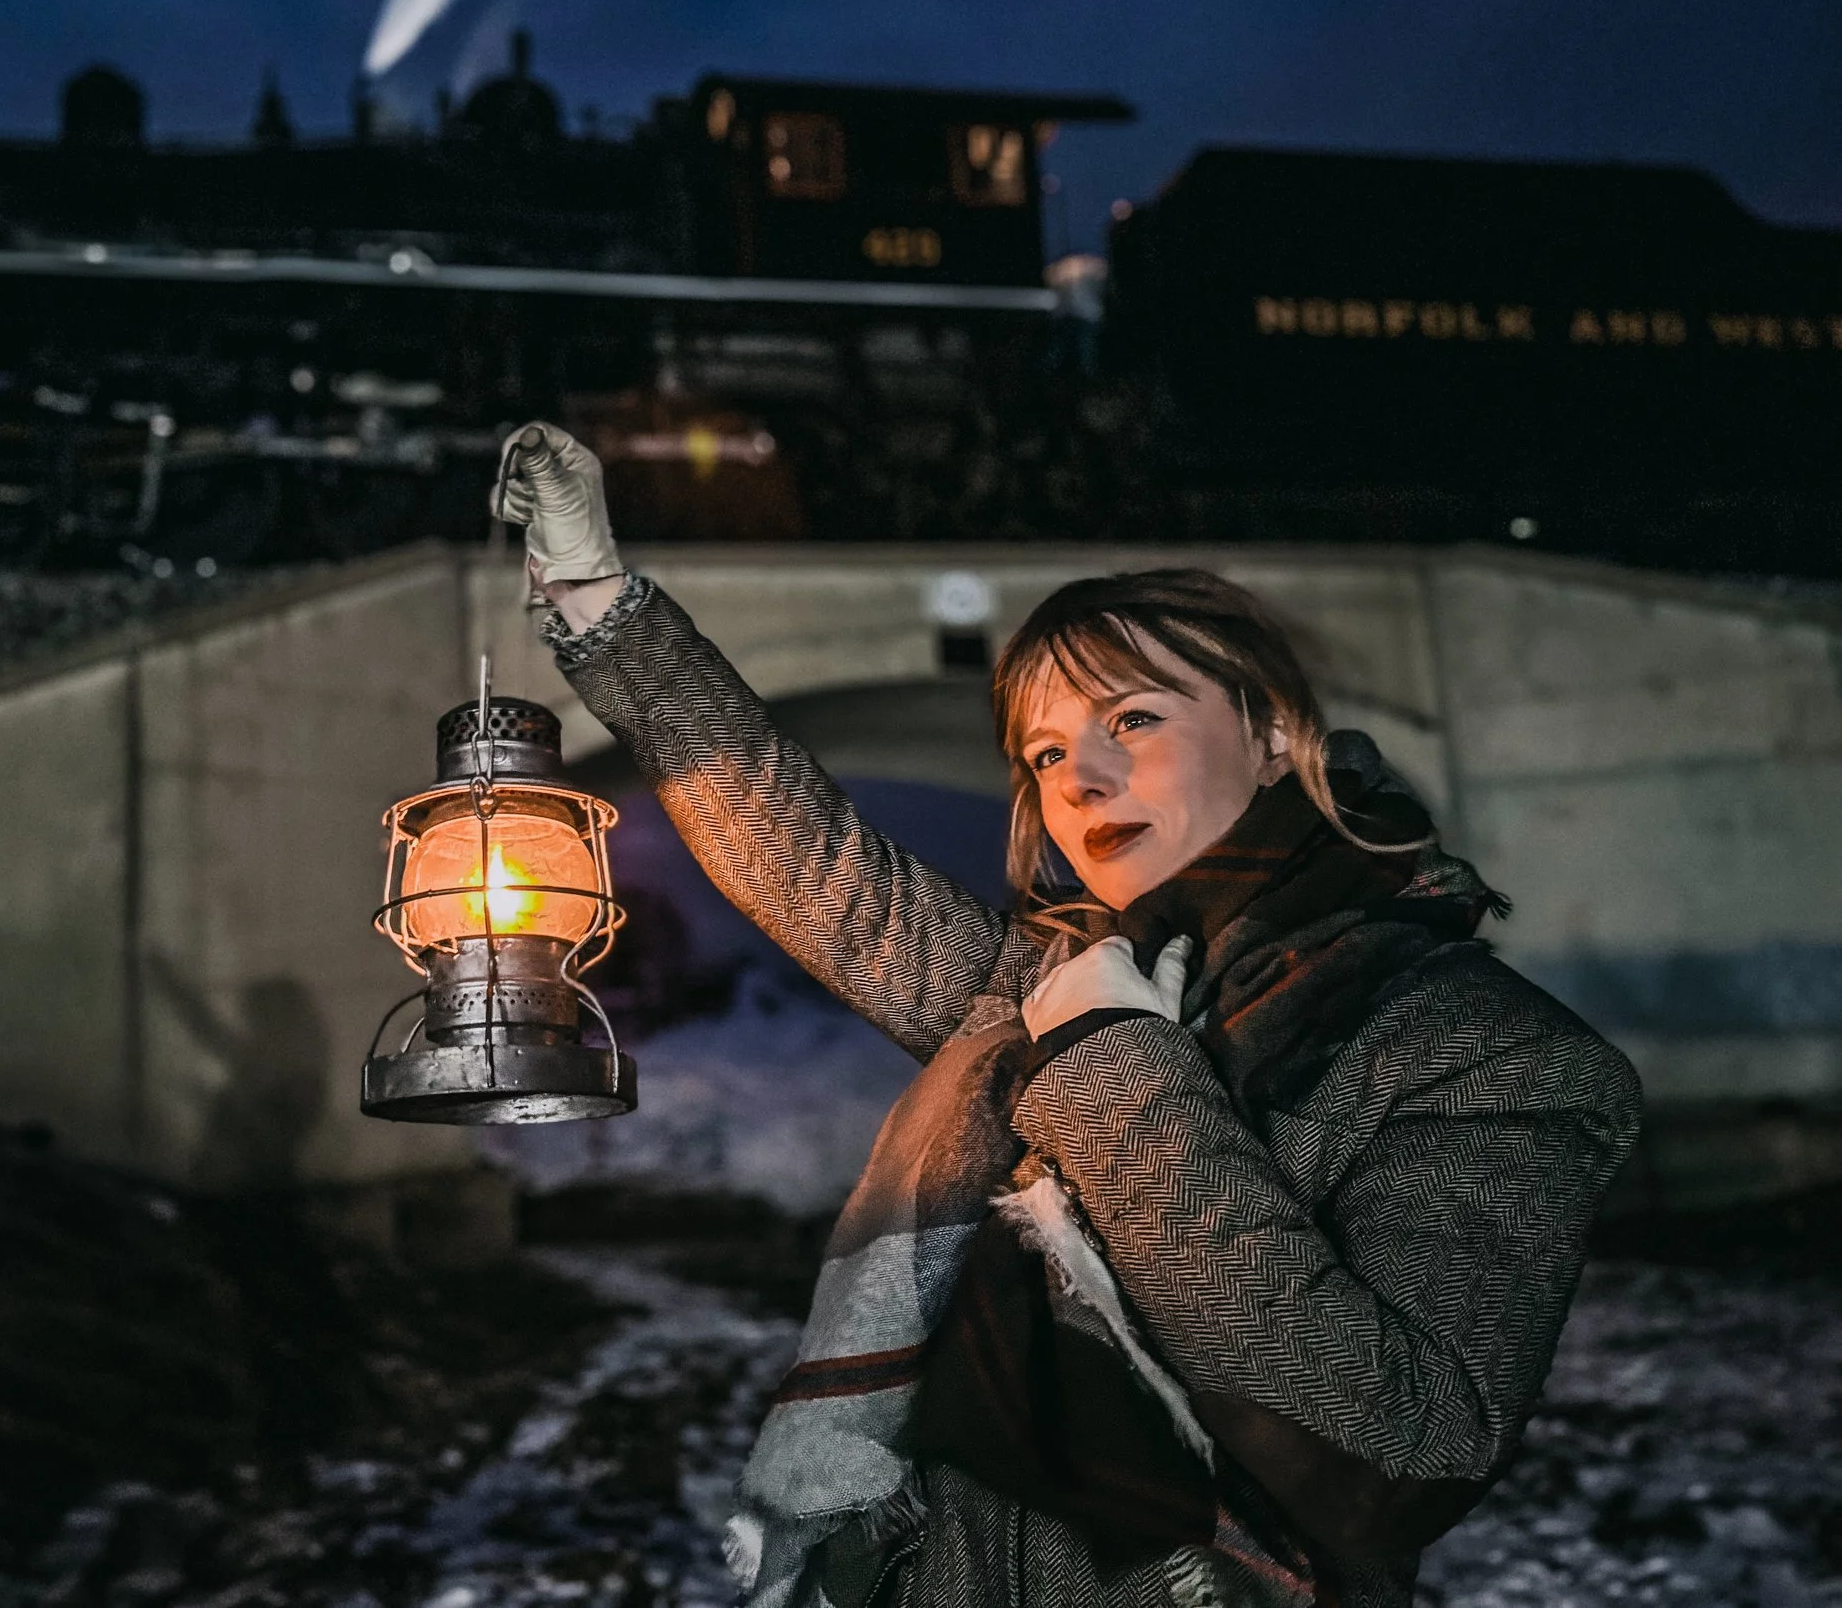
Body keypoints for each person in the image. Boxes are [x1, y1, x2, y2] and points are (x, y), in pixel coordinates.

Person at [493, 422, 1641, 1608]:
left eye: (1132, 721)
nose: (1078, 781)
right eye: (1044, 752)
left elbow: (1399, 1449)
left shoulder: (1480, 1051)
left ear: (1273, 738)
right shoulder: (1044, 985)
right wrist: (597, 598)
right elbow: (815, 864)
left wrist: (1111, 1063)